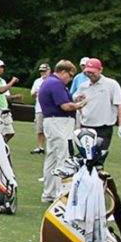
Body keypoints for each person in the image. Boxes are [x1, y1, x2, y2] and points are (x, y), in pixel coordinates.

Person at [37, 60, 88, 202]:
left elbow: (64, 100)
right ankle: (60, 193)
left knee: (52, 158)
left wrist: (74, 98)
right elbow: (65, 106)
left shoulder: (50, 82)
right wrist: (80, 105)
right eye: (70, 76)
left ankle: (49, 192)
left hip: (53, 122)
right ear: (63, 72)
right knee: (62, 156)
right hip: (58, 122)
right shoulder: (56, 83)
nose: (70, 79)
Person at [76, 57, 121, 163]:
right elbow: (78, 104)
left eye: (92, 72)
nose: (90, 74)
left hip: (103, 128)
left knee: (98, 160)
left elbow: (120, 105)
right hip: (86, 127)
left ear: (100, 70)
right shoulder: (83, 86)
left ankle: (97, 179)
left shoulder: (111, 84)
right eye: (87, 72)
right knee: (85, 160)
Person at [29, 63, 50, 153]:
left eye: (44, 71)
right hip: (39, 108)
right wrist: (36, 92)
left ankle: (50, 147)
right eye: (41, 71)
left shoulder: (52, 80)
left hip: (50, 108)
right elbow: (32, 94)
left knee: (49, 129)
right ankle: (40, 146)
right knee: (39, 128)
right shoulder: (37, 81)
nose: (42, 73)